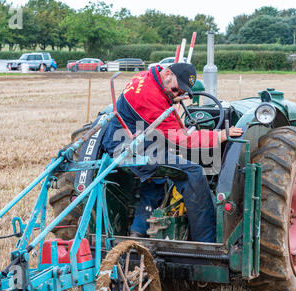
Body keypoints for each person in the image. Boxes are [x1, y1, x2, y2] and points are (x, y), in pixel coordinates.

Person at [102, 63, 243, 243]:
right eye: (176, 89)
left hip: (124, 139)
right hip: (127, 147)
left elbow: (158, 109)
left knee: (158, 176)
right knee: (193, 172)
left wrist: (171, 98)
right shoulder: (151, 98)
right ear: (168, 73)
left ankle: (139, 230)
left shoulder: (147, 77)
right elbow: (184, 139)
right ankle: (207, 240)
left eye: (181, 93)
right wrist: (220, 135)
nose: (176, 94)